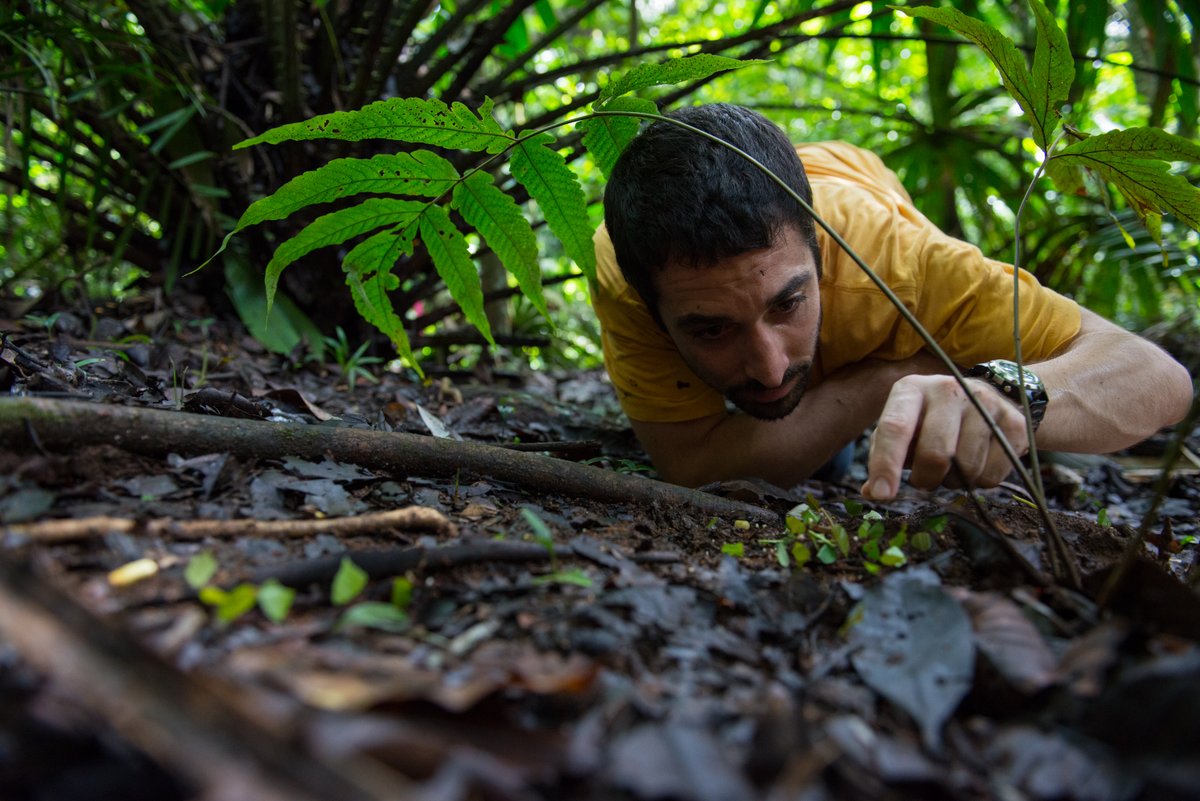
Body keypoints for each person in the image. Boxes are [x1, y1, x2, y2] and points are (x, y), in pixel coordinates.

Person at [591, 103, 1193, 500]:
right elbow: (693, 467)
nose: (770, 364)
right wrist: (893, 378)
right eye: (710, 331)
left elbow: (1159, 379)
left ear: (821, 253)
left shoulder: (900, 264)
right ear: (650, 305)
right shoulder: (624, 270)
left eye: (788, 304)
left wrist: (1004, 394)